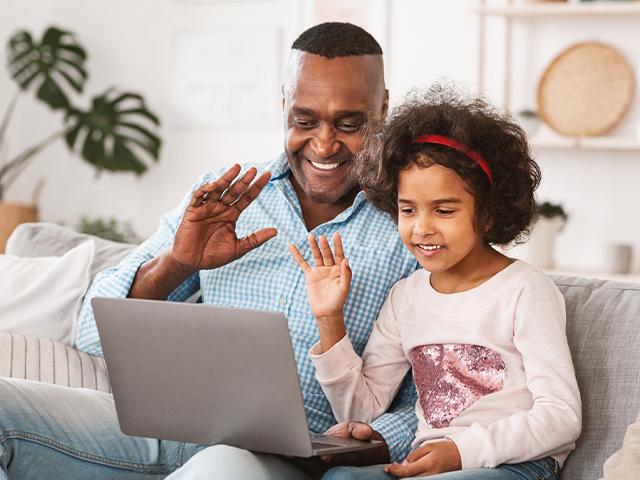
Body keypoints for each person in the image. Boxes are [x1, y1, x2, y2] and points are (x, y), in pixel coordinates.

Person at [0, 23, 420, 480]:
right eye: (304, 121)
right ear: (283, 106)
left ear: (383, 109)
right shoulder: (225, 193)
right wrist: (178, 262)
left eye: (348, 124)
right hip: (164, 427)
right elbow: (92, 335)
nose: (322, 144)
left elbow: (434, 395)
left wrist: (374, 440)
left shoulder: (415, 225)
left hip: (281, 456)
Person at [289, 86, 582, 479]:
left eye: (444, 210)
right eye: (408, 209)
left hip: (516, 464)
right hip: (431, 465)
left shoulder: (524, 290)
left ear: (489, 213)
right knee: (341, 478)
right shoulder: (405, 298)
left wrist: (460, 452)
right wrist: (329, 319)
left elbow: (561, 416)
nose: (422, 228)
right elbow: (362, 410)